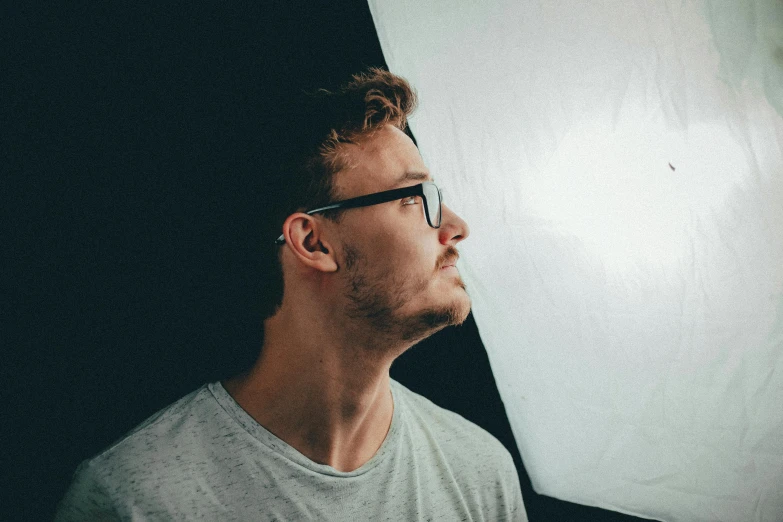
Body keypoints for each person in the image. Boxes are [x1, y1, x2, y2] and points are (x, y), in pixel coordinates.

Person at [55, 68, 528, 521]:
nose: (456, 228)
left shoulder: (479, 473)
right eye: (413, 198)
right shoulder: (136, 500)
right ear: (313, 242)